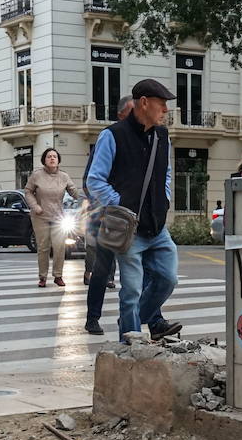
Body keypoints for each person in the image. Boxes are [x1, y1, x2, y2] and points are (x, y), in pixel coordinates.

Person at [86, 78, 181, 343]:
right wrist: (121, 205)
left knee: (168, 278)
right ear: (144, 103)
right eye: (161, 104)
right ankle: (130, 348)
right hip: (128, 229)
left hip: (157, 226)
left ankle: (133, 321)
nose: (165, 110)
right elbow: (95, 180)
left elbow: (166, 174)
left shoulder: (163, 136)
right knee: (130, 291)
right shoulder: (112, 135)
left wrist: (165, 199)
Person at [81, 94, 131, 324]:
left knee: (139, 269)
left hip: (132, 217)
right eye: (132, 113)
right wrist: (110, 203)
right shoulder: (109, 137)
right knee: (102, 267)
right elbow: (89, 180)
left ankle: (138, 317)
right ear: (121, 114)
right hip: (107, 216)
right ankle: (92, 317)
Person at [23, 147, 82, 288]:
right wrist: (35, 206)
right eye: (49, 156)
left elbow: (75, 193)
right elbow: (28, 191)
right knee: (43, 247)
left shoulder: (64, 176)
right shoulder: (37, 175)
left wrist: (83, 196)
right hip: (40, 215)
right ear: (44, 160)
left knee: (60, 247)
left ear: (58, 160)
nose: (52, 158)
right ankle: (42, 277)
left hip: (58, 216)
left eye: (54, 156)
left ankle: (58, 276)